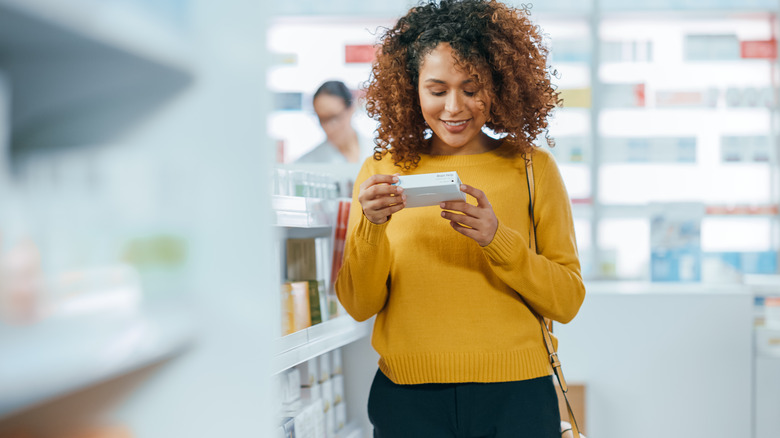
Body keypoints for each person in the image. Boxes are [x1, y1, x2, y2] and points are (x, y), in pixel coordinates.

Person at [334, 0, 586, 437]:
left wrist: (497, 239)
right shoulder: (382, 169)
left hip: (517, 396)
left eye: (472, 89)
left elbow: (567, 300)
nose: (454, 107)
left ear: (501, 86)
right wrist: (372, 228)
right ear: (411, 89)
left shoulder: (532, 169)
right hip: (409, 399)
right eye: (437, 89)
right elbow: (359, 304)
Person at [296, 80, 374, 164]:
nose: (329, 127)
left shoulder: (381, 152)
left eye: (334, 118)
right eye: (322, 119)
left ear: (350, 110)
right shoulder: (306, 163)